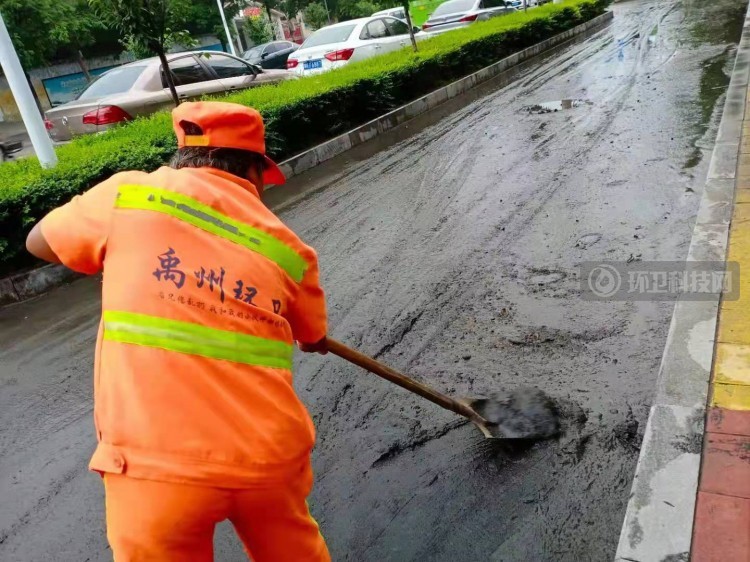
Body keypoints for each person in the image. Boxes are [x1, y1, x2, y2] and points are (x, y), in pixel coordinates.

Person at [26, 101, 331, 562]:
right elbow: (311, 335)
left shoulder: (128, 196)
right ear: (254, 170)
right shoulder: (291, 250)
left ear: (182, 156)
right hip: (270, 461)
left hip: (156, 470)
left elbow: (37, 242)